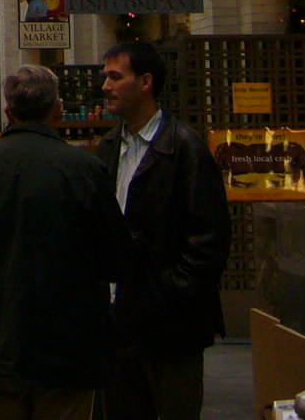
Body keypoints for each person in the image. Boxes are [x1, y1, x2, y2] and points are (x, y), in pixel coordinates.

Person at [0, 65, 128, 420]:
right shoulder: (85, 169)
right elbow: (115, 257)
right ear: (58, 109)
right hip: (69, 342)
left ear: (7, 111)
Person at [97, 41, 231, 420]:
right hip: (119, 326)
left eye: (114, 76)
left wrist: (165, 295)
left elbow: (209, 240)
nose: (105, 86)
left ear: (146, 82)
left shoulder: (185, 148)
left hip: (171, 332)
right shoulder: (109, 148)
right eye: (105, 76)